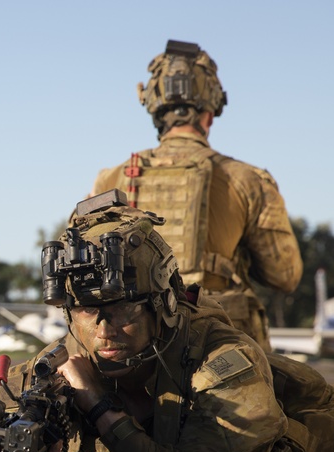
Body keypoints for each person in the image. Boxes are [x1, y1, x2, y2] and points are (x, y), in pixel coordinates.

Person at [0, 190, 334, 452]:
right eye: (85, 311)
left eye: (122, 310)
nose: (103, 329)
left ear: (164, 304)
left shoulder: (224, 363)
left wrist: (100, 407)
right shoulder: (52, 372)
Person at [86, 40, 302, 351]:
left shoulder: (109, 179)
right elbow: (285, 275)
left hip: (135, 355)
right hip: (222, 349)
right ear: (210, 113)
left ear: (154, 108)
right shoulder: (248, 180)